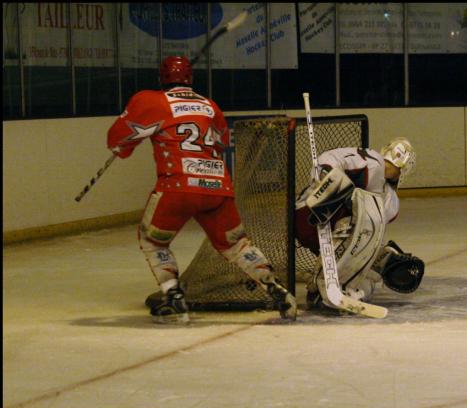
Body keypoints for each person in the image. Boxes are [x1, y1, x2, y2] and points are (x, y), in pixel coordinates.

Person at [106, 56, 297, 323]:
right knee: (237, 245)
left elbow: (117, 137)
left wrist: (122, 149)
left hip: (177, 187)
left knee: (153, 240)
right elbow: (220, 141)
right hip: (217, 187)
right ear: (190, 79)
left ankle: (173, 297)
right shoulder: (210, 105)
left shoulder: (150, 100)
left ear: (161, 78)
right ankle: (274, 287)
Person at [295, 138, 425, 311]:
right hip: (307, 215)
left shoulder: (390, 200)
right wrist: (328, 181)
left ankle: (337, 286)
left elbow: (369, 233)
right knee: (360, 220)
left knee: (367, 284)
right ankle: (321, 286)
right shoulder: (374, 163)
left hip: (330, 233)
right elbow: (327, 160)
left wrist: (376, 254)